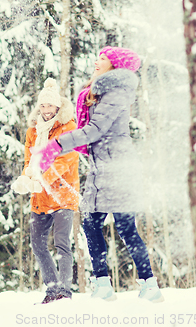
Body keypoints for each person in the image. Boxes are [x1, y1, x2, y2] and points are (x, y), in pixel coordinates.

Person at [33, 46, 164, 302]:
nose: (97, 61)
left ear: (114, 66)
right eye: (98, 57)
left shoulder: (117, 91)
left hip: (119, 167)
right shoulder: (97, 93)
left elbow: (95, 130)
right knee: (91, 223)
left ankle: (149, 285)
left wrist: (57, 144)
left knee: (126, 228)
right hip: (100, 167)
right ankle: (103, 284)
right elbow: (89, 135)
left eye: (103, 58)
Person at [11, 78, 79, 304]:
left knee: (61, 243)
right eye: (43, 106)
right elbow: (29, 159)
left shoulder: (68, 127)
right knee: (38, 245)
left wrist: (42, 179)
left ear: (58, 107)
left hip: (62, 195)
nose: (46, 110)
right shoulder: (33, 131)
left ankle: (65, 292)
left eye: (50, 106)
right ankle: (52, 290)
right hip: (39, 197)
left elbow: (65, 160)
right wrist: (25, 179)